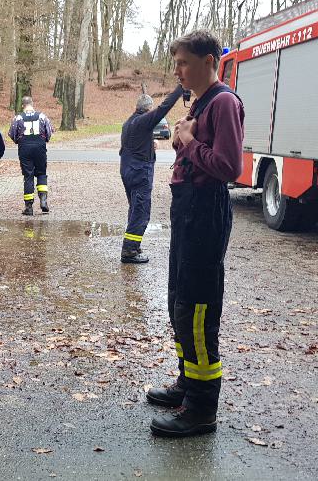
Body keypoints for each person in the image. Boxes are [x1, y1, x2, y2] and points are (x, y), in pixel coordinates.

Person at [147, 30, 244, 437]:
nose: (178, 70)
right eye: (176, 63)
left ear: (210, 60)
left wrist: (188, 140)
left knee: (198, 310)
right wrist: (184, 141)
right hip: (187, 209)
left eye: (184, 62)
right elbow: (195, 151)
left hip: (206, 211)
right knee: (178, 301)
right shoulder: (201, 103)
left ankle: (202, 409)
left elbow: (228, 167)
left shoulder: (223, 102)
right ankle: (189, 384)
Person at [119, 85, 184, 263]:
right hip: (140, 173)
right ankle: (129, 251)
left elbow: (131, 145)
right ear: (148, 109)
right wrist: (180, 88)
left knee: (134, 210)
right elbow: (164, 107)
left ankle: (134, 244)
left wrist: (150, 144)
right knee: (141, 211)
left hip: (127, 170)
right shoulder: (144, 121)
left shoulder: (129, 123)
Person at [8, 96, 53, 215]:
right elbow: (49, 132)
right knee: (41, 173)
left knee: (28, 176)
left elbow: (12, 134)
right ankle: (43, 201)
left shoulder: (18, 118)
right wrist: (43, 140)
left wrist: (19, 141)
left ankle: (29, 207)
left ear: (23, 105)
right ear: (32, 104)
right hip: (40, 147)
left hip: (25, 148)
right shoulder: (42, 116)